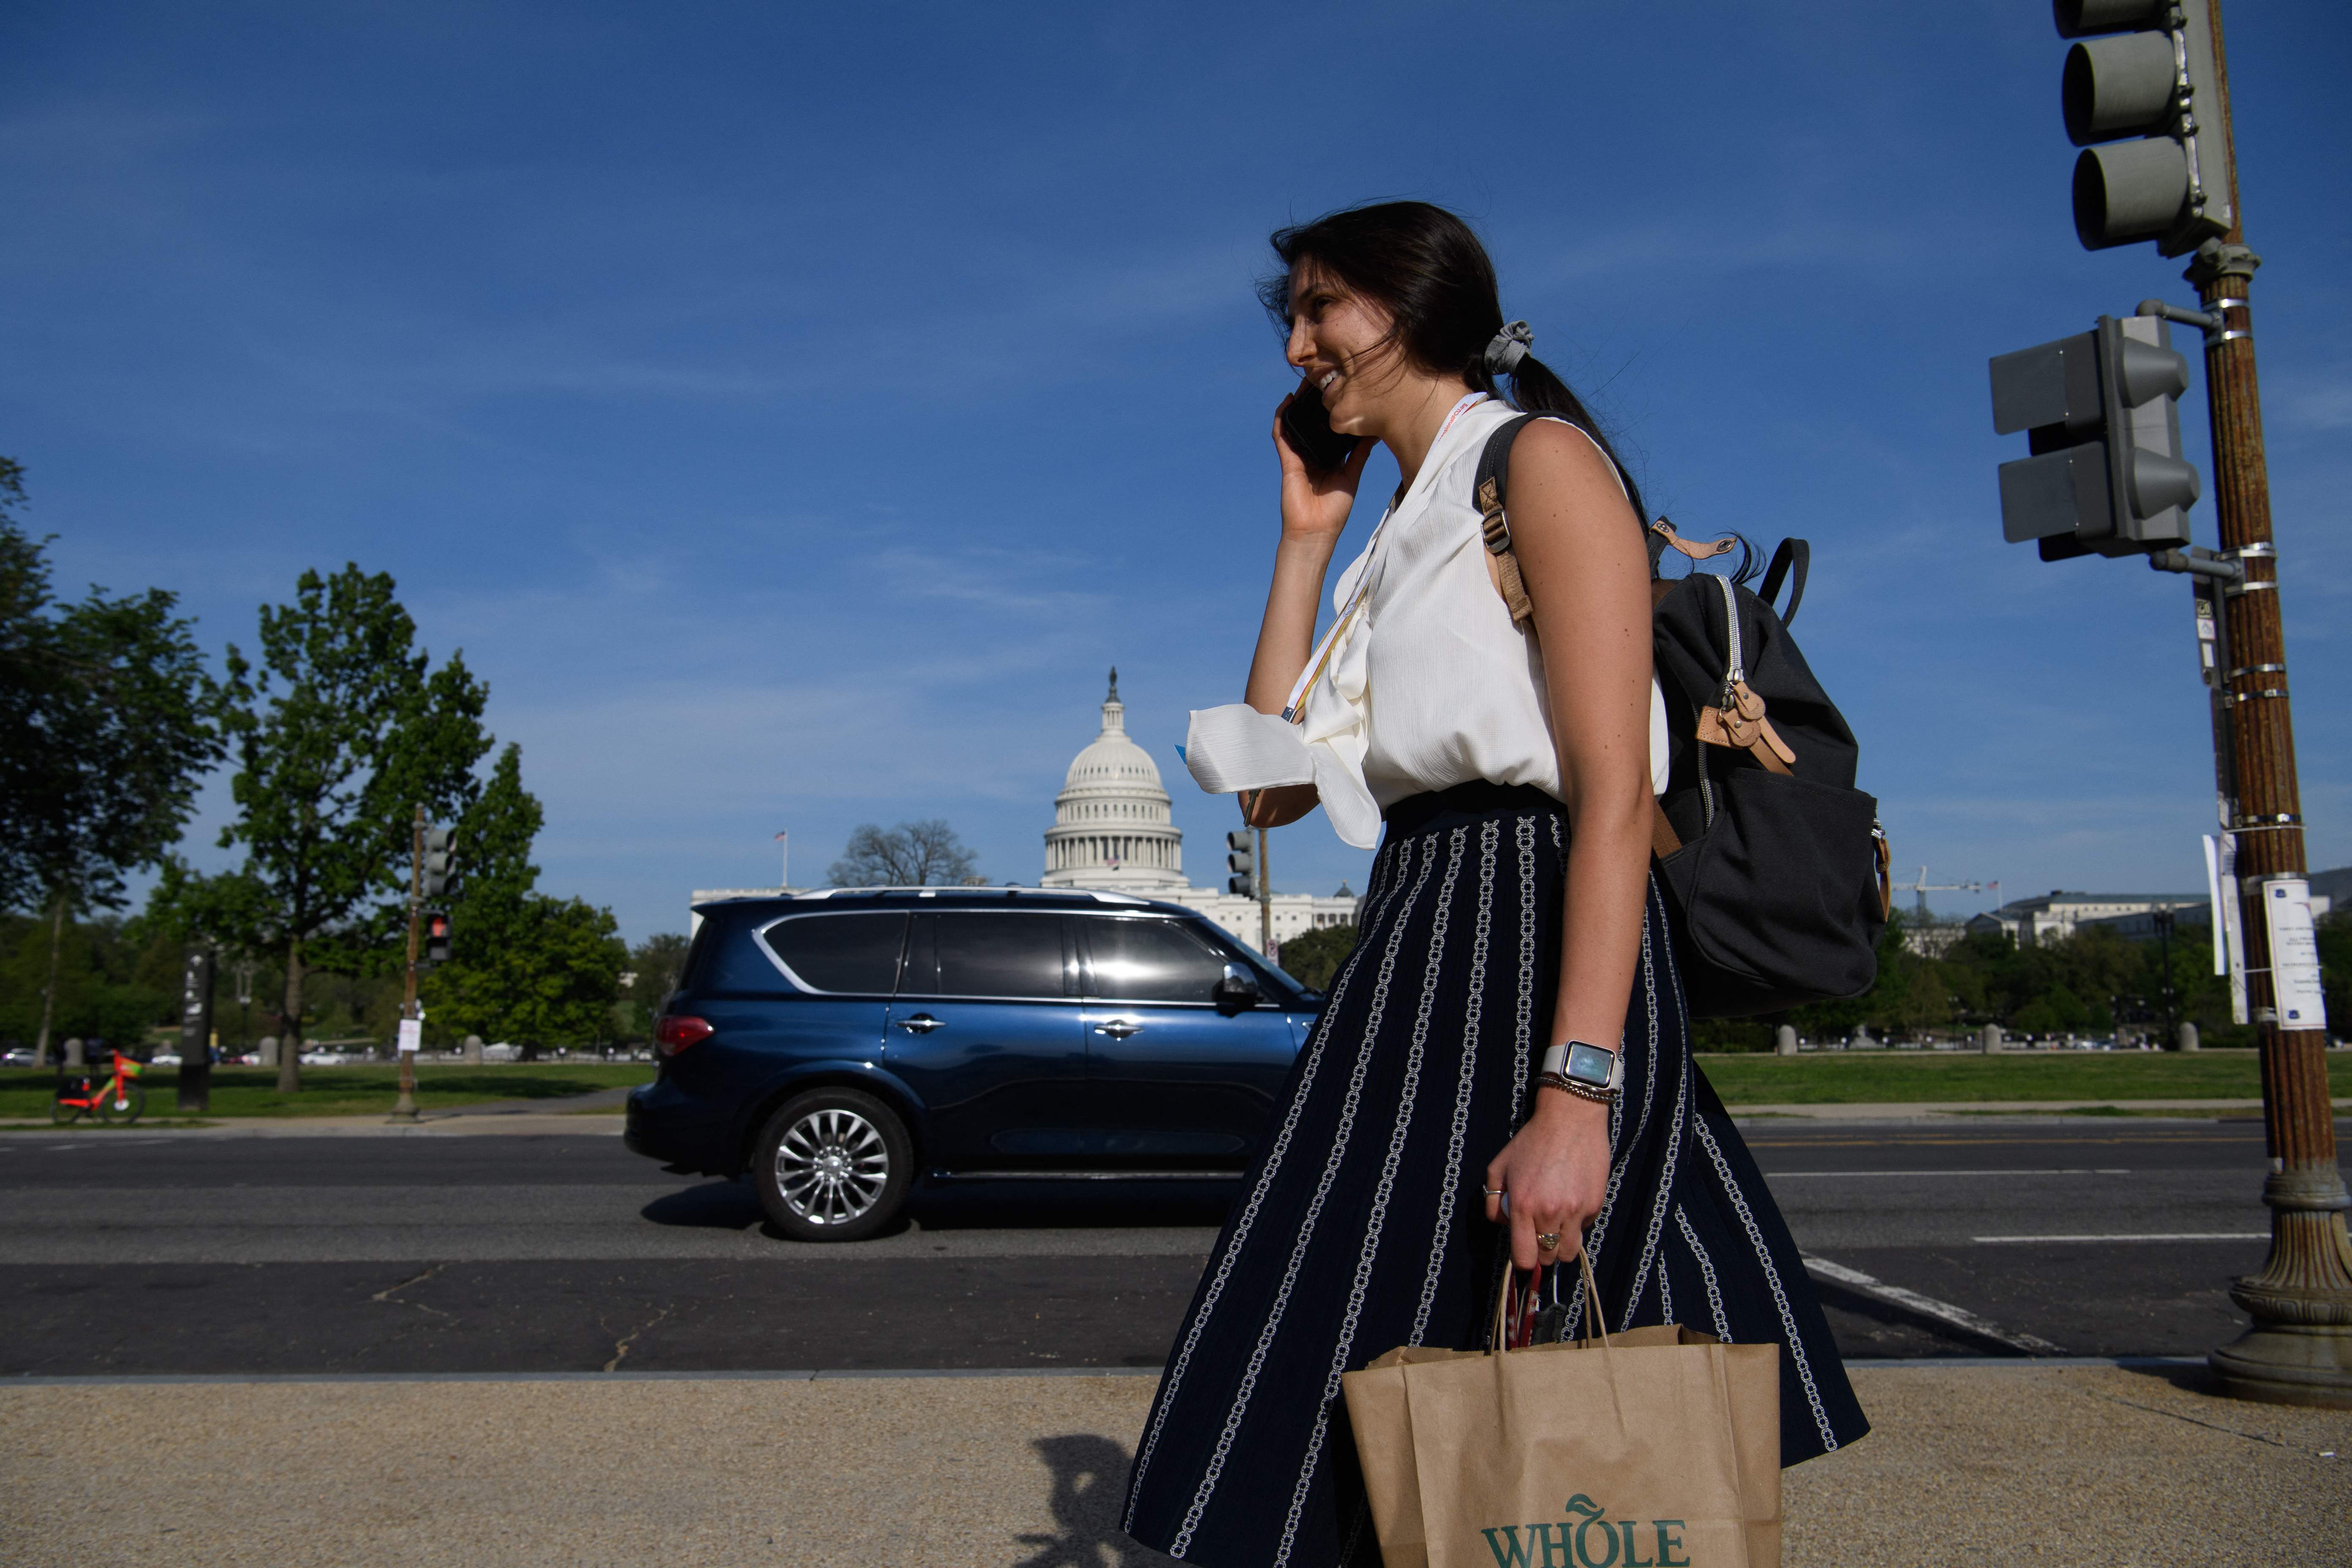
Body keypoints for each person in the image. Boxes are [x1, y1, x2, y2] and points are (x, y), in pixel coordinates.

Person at [1121, 202, 1866, 1568]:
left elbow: (1610, 794)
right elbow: (1274, 786)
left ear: (1408, 312)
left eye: (1319, 310)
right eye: (1291, 316)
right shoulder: (1393, 528)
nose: (1295, 347)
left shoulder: (1540, 464)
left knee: (1465, 1321)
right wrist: (1303, 538)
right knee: (1352, 1323)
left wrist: (1577, 1092)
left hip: (1529, 922)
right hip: (1423, 927)